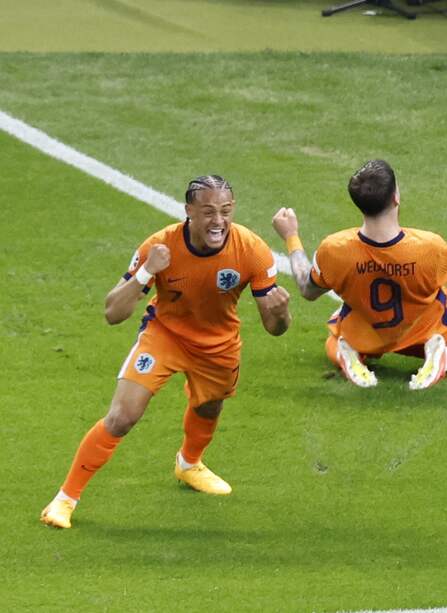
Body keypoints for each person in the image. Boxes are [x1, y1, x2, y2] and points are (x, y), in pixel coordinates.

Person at [40, 175, 292, 529]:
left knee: (209, 406)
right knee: (122, 416)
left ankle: (189, 464)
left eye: (225, 210)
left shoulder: (252, 249)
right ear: (188, 211)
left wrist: (280, 313)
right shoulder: (160, 246)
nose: (218, 221)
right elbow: (113, 313)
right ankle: (64, 500)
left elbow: (275, 328)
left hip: (218, 344)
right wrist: (146, 272)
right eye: (207, 212)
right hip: (165, 336)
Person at [273, 159, 447, 388]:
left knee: (334, 337)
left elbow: (307, 289)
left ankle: (345, 355)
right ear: (395, 198)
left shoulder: (334, 249)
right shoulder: (428, 247)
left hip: (367, 331)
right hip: (424, 327)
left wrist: (291, 236)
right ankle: (444, 358)